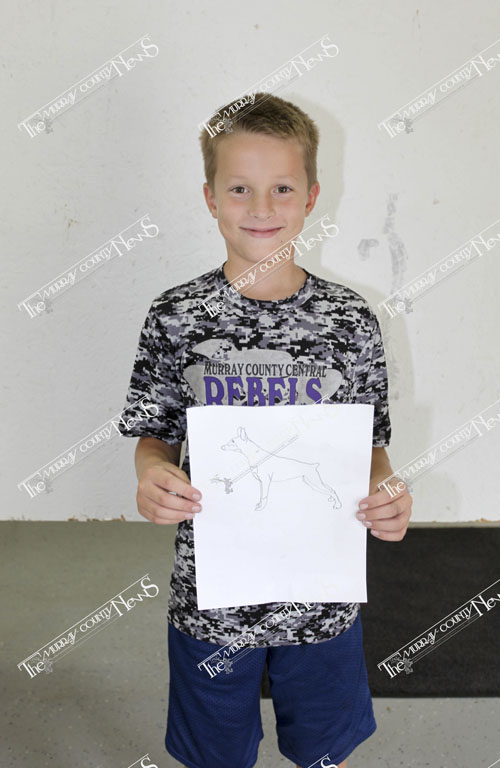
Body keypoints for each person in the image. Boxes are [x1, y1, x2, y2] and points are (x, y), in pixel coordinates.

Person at [118, 92, 413, 768]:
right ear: (210, 198)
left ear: (311, 197)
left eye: (281, 187)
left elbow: (369, 446)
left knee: (323, 750)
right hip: (212, 598)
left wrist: (387, 490)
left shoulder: (349, 320)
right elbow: (155, 436)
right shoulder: (176, 316)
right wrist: (151, 473)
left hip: (323, 597)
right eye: (239, 188)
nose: (260, 207)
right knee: (215, 753)